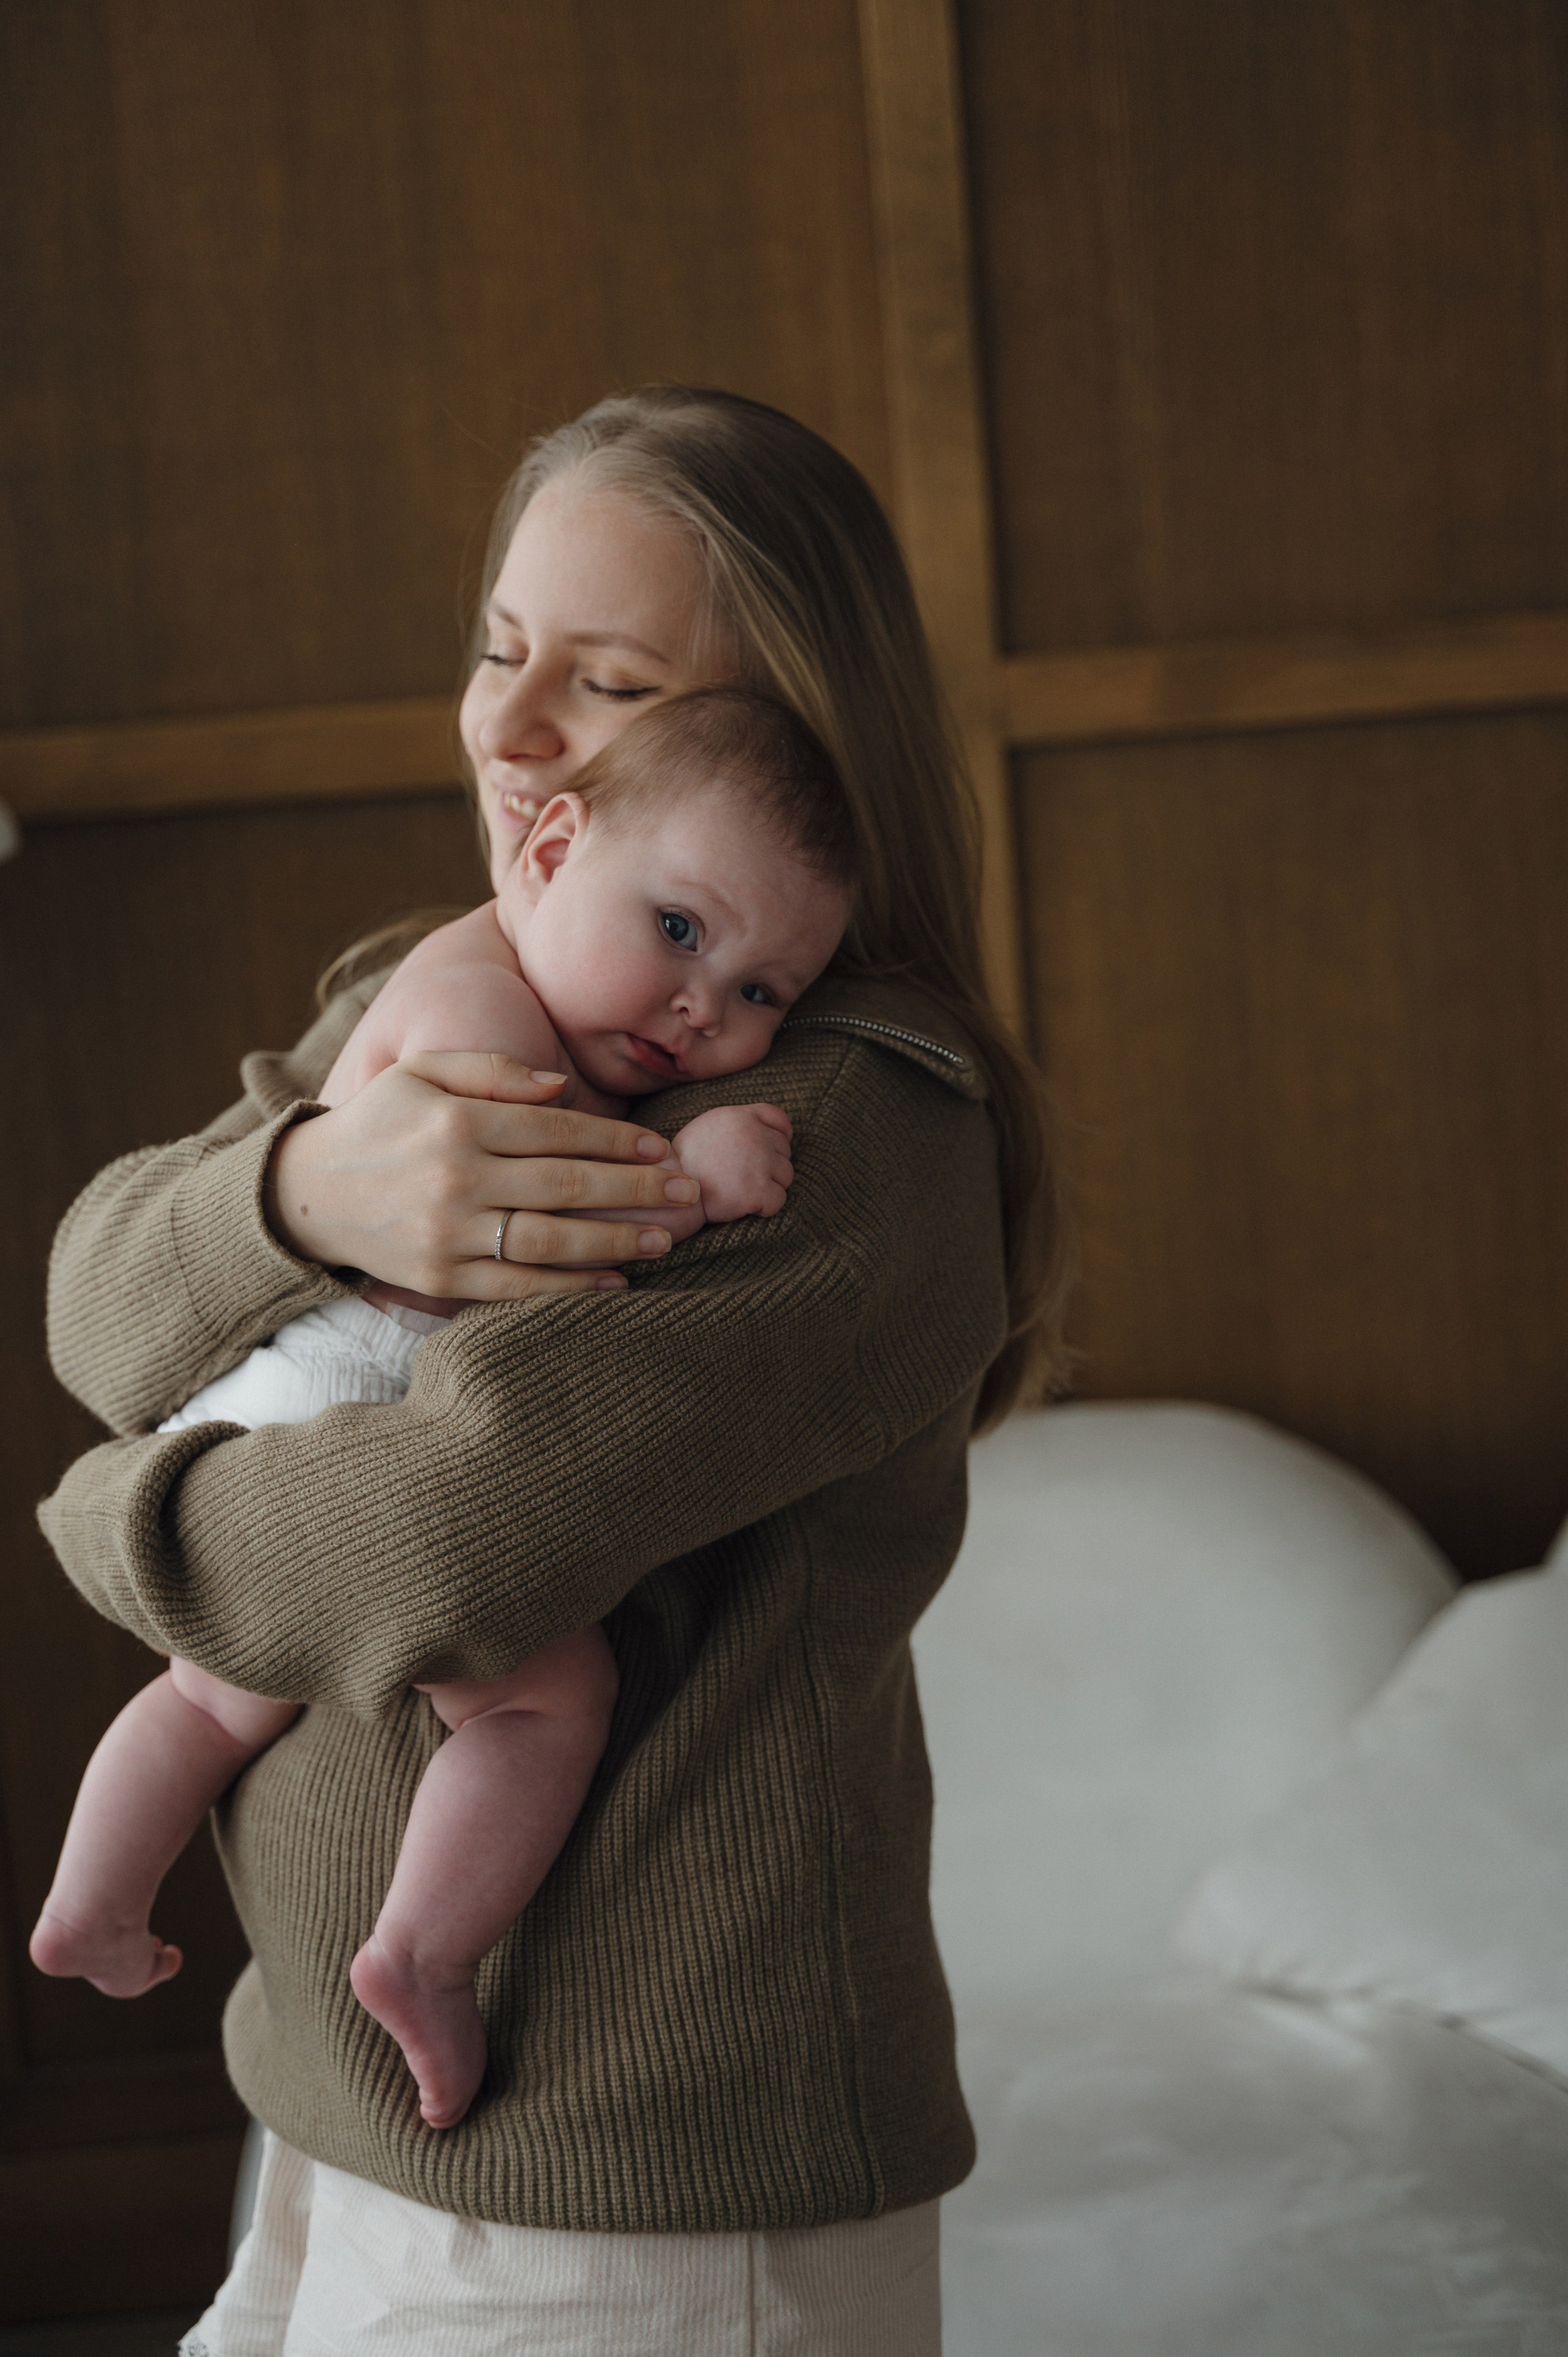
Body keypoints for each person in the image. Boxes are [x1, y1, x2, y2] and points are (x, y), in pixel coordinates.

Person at [37, 387, 1068, 2356]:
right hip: (338, 2109)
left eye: (605, 681)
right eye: (499, 648)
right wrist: (305, 1187)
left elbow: (449, 1544)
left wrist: (116, 1517)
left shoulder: (847, 1122)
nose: (508, 730)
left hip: (640, 2177)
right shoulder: (441, 989)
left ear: (794, 737)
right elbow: (97, 1305)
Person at [31, 687, 855, 2139]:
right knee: (545, 1700)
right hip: (360, 1372)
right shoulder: (480, 1003)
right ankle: (424, 1951)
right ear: (551, 851)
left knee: (207, 1697)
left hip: (290, 1382)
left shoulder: (512, 984)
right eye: (678, 929)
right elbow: (547, 1207)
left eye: (761, 994)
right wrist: (698, 1179)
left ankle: (93, 1901)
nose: (702, 1006)